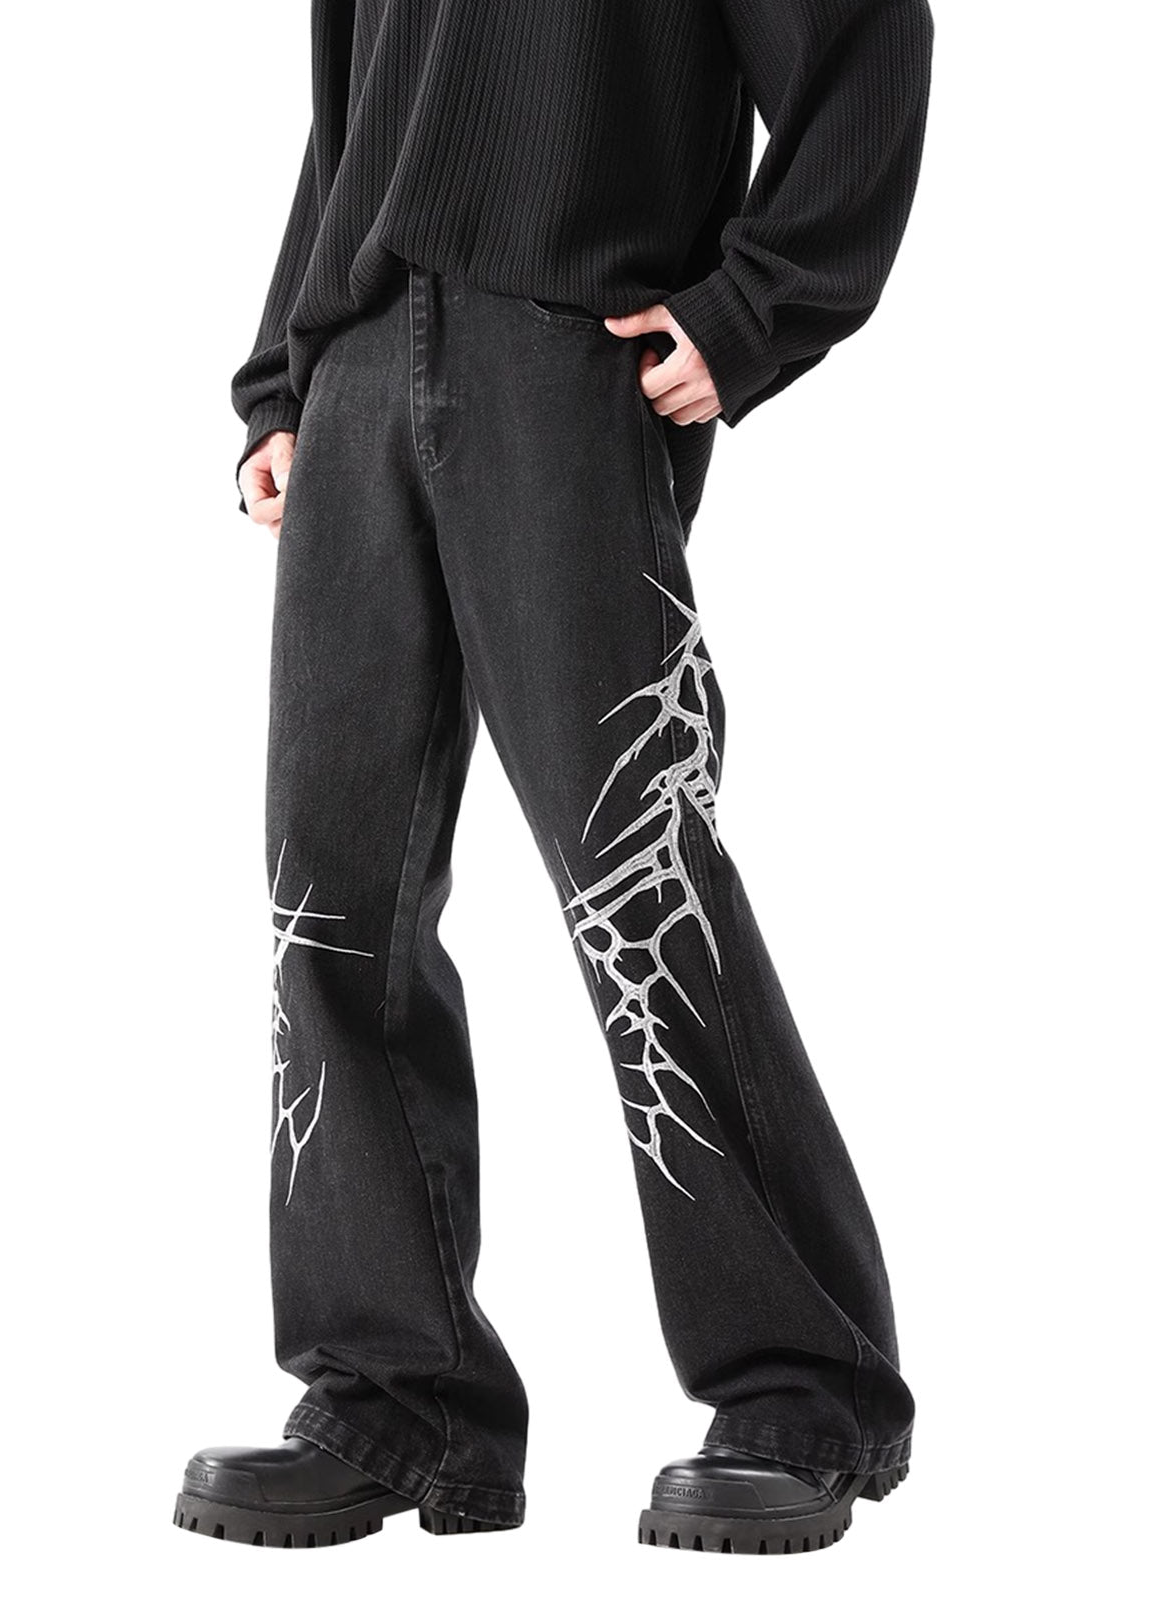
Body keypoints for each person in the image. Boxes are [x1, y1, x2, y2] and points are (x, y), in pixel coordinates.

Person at [173, 0, 934, 1558]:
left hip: (565, 351)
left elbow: (859, 38)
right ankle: (400, 1398)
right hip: (363, 360)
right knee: (330, 903)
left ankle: (808, 1389)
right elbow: (355, 108)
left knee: (639, 879)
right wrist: (285, 377)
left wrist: (760, 302)